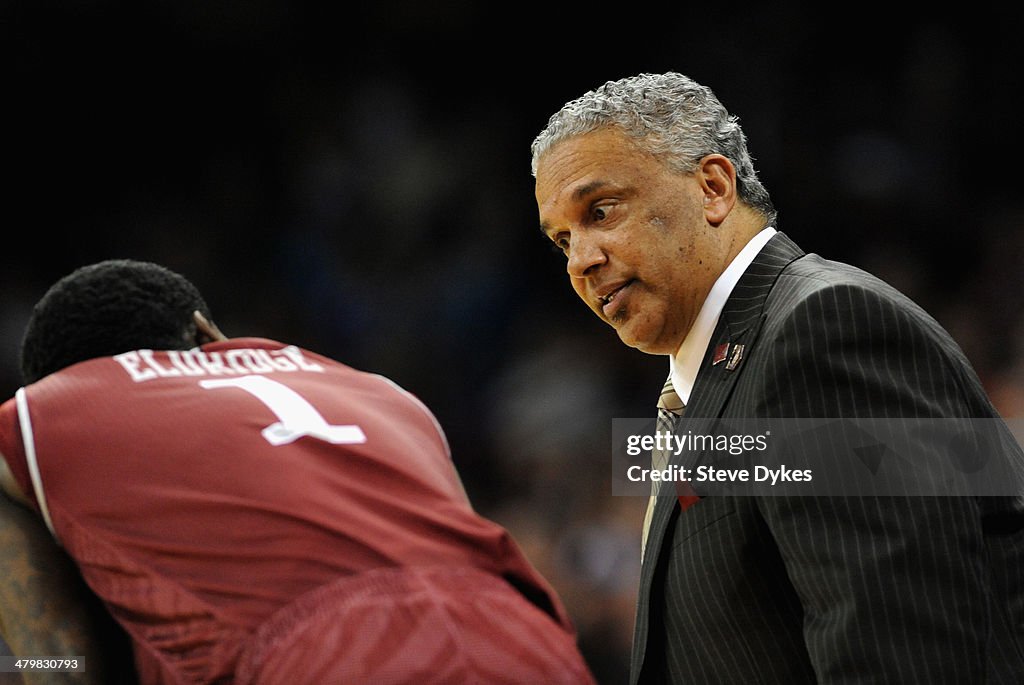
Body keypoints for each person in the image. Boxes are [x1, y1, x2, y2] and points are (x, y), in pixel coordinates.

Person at [531, 72, 1024, 683]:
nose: (581, 260)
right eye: (562, 241)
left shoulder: (822, 329)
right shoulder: (718, 372)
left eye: (600, 212)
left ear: (712, 187)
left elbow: (900, 655)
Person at [0, 259, 596, 685]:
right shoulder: (384, 392)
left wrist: (46, 663)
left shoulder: (54, 408)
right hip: (519, 631)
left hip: (329, 652)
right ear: (208, 333)